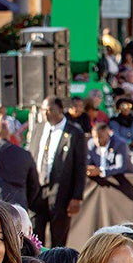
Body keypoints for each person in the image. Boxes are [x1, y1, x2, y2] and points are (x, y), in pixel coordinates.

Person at [28, 97, 88, 247]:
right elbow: (31, 157)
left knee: (58, 240)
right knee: (34, 239)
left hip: (61, 194)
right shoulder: (38, 128)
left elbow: (80, 167)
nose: (46, 113)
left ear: (60, 110)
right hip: (37, 192)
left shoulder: (74, 133)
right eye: (43, 110)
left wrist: (77, 197)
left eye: (49, 110)